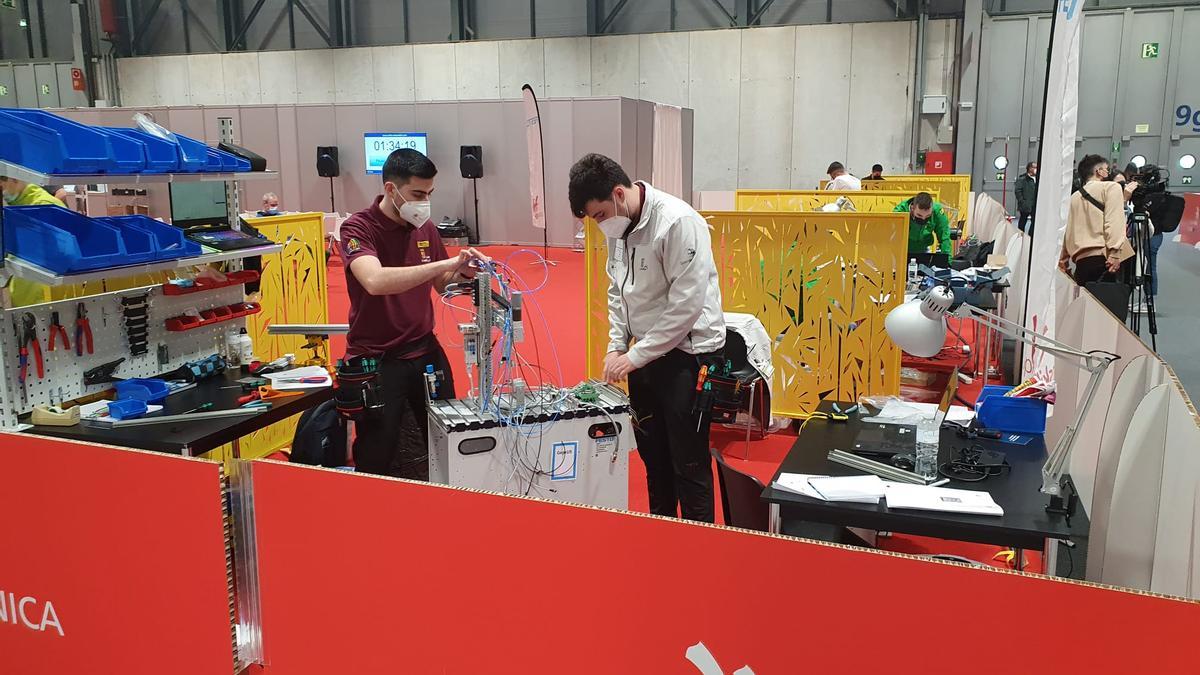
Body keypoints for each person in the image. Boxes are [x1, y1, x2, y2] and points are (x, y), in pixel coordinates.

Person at [569, 153, 725, 523]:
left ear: (619, 194)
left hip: (690, 355)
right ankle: (661, 531)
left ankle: (698, 540)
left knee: (687, 460)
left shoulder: (678, 222)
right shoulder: (617, 229)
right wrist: (616, 345)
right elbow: (617, 292)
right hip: (645, 355)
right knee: (652, 455)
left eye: (599, 216)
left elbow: (686, 306)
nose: (598, 226)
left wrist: (635, 357)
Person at [339, 148, 489, 479]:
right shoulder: (358, 228)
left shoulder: (424, 228)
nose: (424, 203)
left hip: (425, 351)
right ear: (391, 189)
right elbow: (375, 281)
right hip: (376, 358)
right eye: (417, 194)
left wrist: (464, 273)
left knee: (447, 439)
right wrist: (447, 263)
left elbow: (441, 283)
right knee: (377, 454)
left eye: (430, 194)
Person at [1059, 155, 1132, 286]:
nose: (1108, 172)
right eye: (1106, 169)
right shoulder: (1111, 188)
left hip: (1080, 263)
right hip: (1104, 259)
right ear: (1099, 171)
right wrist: (1115, 253)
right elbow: (1114, 220)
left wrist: (1063, 262)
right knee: (1106, 303)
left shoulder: (1073, 198)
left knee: (1085, 305)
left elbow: (1065, 233)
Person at [2, 176, 67, 307]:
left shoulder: (44, 205)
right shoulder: (14, 207)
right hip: (22, 295)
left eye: (1, 188)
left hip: (45, 298)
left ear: (14, 178)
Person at [1014, 162, 1037, 232]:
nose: (1036, 169)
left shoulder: (1038, 178)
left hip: (1034, 204)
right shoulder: (1022, 179)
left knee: (1034, 222)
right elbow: (1018, 191)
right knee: (1022, 221)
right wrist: (1022, 201)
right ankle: (1020, 235)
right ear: (1030, 168)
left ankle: (1031, 236)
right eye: (1035, 167)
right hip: (1025, 205)